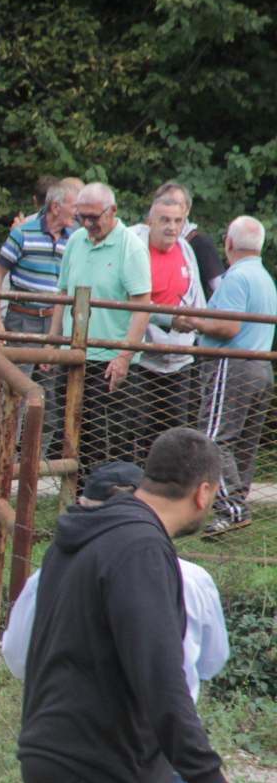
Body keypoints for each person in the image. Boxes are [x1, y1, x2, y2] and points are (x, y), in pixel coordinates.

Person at [16, 428, 245, 783]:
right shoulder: (139, 547)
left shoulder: (91, 534)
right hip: (93, 764)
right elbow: (159, 674)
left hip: (87, 757)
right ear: (203, 492)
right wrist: (207, 778)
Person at [179, 215, 277, 536]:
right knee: (243, 443)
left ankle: (232, 509)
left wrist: (194, 321)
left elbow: (229, 326)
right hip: (260, 366)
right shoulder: (264, 278)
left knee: (214, 439)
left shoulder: (236, 278)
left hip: (232, 366)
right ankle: (235, 507)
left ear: (229, 243)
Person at [50, 182, 151, 478]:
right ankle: (76, 493)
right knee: (72, 432)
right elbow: (62, 294)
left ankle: (113, 496)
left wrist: (124, 357)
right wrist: (52, 343)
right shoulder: (76, 240)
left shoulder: (130, 247)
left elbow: (142, 306)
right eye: (81, 216)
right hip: (73, 355)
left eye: (94, 217)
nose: (87, 224)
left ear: (112, 211)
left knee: (111, 438)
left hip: (110, 361)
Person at [122, 193, 204, 464]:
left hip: (179, 359)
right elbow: (131, 300)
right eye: (165, 220)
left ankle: (170, 484)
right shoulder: (135, 249)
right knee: (136, 428)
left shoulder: (186, 249)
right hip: (142, 358)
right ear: (150, 221)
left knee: (176, 433)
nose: (172, 227)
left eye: (178, 221)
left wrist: (198, 324)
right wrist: (169, 319)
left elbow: (197, 298)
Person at [0, 179, 76, 343]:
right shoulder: (22, 234)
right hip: (22, 319)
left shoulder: (72, 240)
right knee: (16, 361)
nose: (77, 213)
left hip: (56, 322)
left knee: (54, 361)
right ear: (56, 208)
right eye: (73, 207)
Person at [154, 180, 224, 300]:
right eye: (167, 203)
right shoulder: (142, 240)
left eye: (177, 204)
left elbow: (220, 290)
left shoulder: (200, 242)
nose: (172, 207)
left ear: (187, 209)